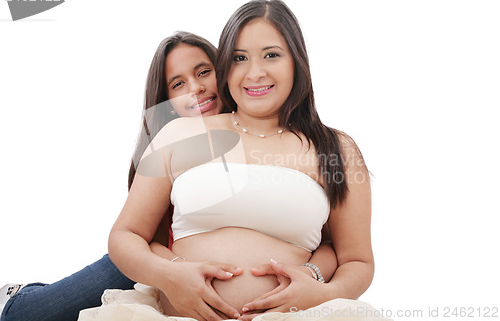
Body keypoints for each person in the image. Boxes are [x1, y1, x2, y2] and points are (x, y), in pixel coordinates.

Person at [0, 31, 337, 321]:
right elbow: (140, 238)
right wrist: (173, 270)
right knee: (31, 315)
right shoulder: (176, 141)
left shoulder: (275, 140)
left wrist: (311, 273)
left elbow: (324, 241)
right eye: (179, 84)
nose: (196, 89)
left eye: (203, 72)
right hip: (152, 260)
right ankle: (20, 296)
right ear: (169, 102)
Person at [105, 0, 374, 321]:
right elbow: (126, 236)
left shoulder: (336, 150)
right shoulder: (179, 135)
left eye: (271, 55)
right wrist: (170, 275)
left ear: (296, 61)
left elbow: (357, 261)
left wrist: (323, 291)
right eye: (240, 58)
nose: (255, 72)